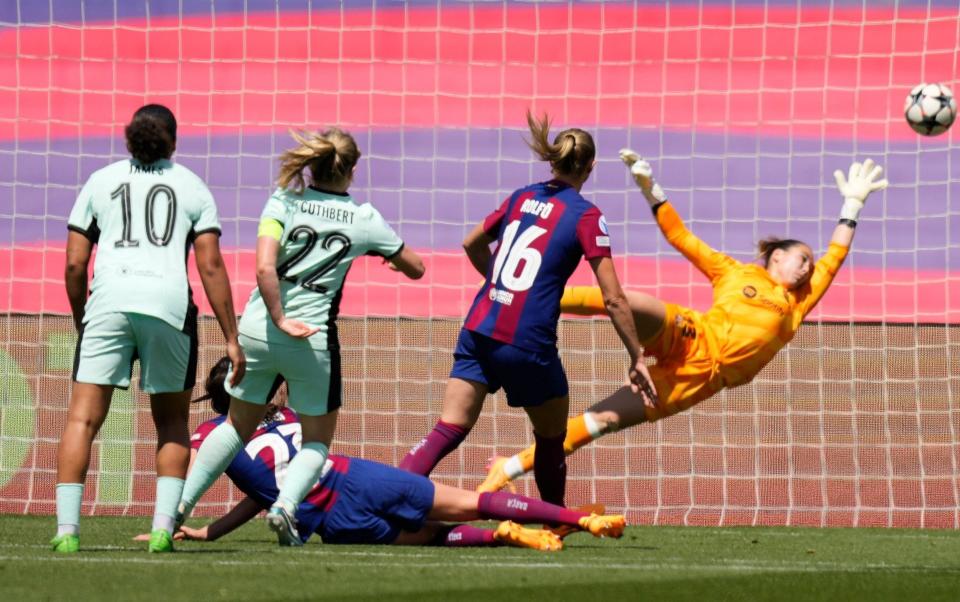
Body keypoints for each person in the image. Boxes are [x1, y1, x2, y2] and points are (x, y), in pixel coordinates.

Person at [478, 152, 889, 493]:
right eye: (802, 259)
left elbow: (834, 258)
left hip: (698, 379)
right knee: (629, 302)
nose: (807, 269)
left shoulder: (797, 303)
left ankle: (508, 468)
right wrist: (650, 188)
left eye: (809, 266)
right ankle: (528, 297)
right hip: (692, 334)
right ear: (776, 256)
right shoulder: (734, 272)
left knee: (598, 422)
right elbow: (682, 238)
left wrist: (852, 207)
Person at [177, 128, 426, 546]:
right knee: (316, 441)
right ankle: (285, 508)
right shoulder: (364, 218)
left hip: (257, 331)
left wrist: (276, 315)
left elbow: (263, 268)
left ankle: (176, 509)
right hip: (310, 339)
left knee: (236, 427)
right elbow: (416, 267)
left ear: (311, 166)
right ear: (351, 170)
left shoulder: (284, 200)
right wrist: (390, 259)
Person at [398, 112, 654, 507]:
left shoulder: (521, 197)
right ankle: (554, 518)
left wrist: (499, 285)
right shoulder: (587, 216)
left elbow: (471, 244)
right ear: (591, 167)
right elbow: (615, 297)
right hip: (526, 342)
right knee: (552, 436)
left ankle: (385, 496)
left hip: (479, 327)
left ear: (552, 161)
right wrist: (636, 354)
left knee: (449, 427)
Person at [163, 358, 625, 551]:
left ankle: (505, 536)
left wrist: (191, 526)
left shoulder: (215, 435)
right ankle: (577, 518)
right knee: (471, 501)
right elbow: (265, 494)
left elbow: (261, 492)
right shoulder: (285, 415)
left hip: (329, 520)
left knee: (430, 538)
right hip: (354, 476)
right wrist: (211, 531)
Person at [54, 104, 245, 553]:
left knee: (82, 419)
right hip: (168, 306)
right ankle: (162, 529)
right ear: (173, 142)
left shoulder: (100, 182)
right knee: (172, 420)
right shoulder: (192, 187)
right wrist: (232, 337)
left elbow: (75, 263)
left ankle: (66, 532)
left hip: (108, 304)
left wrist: (82, 316)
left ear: (129, 139)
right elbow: (211, 265)